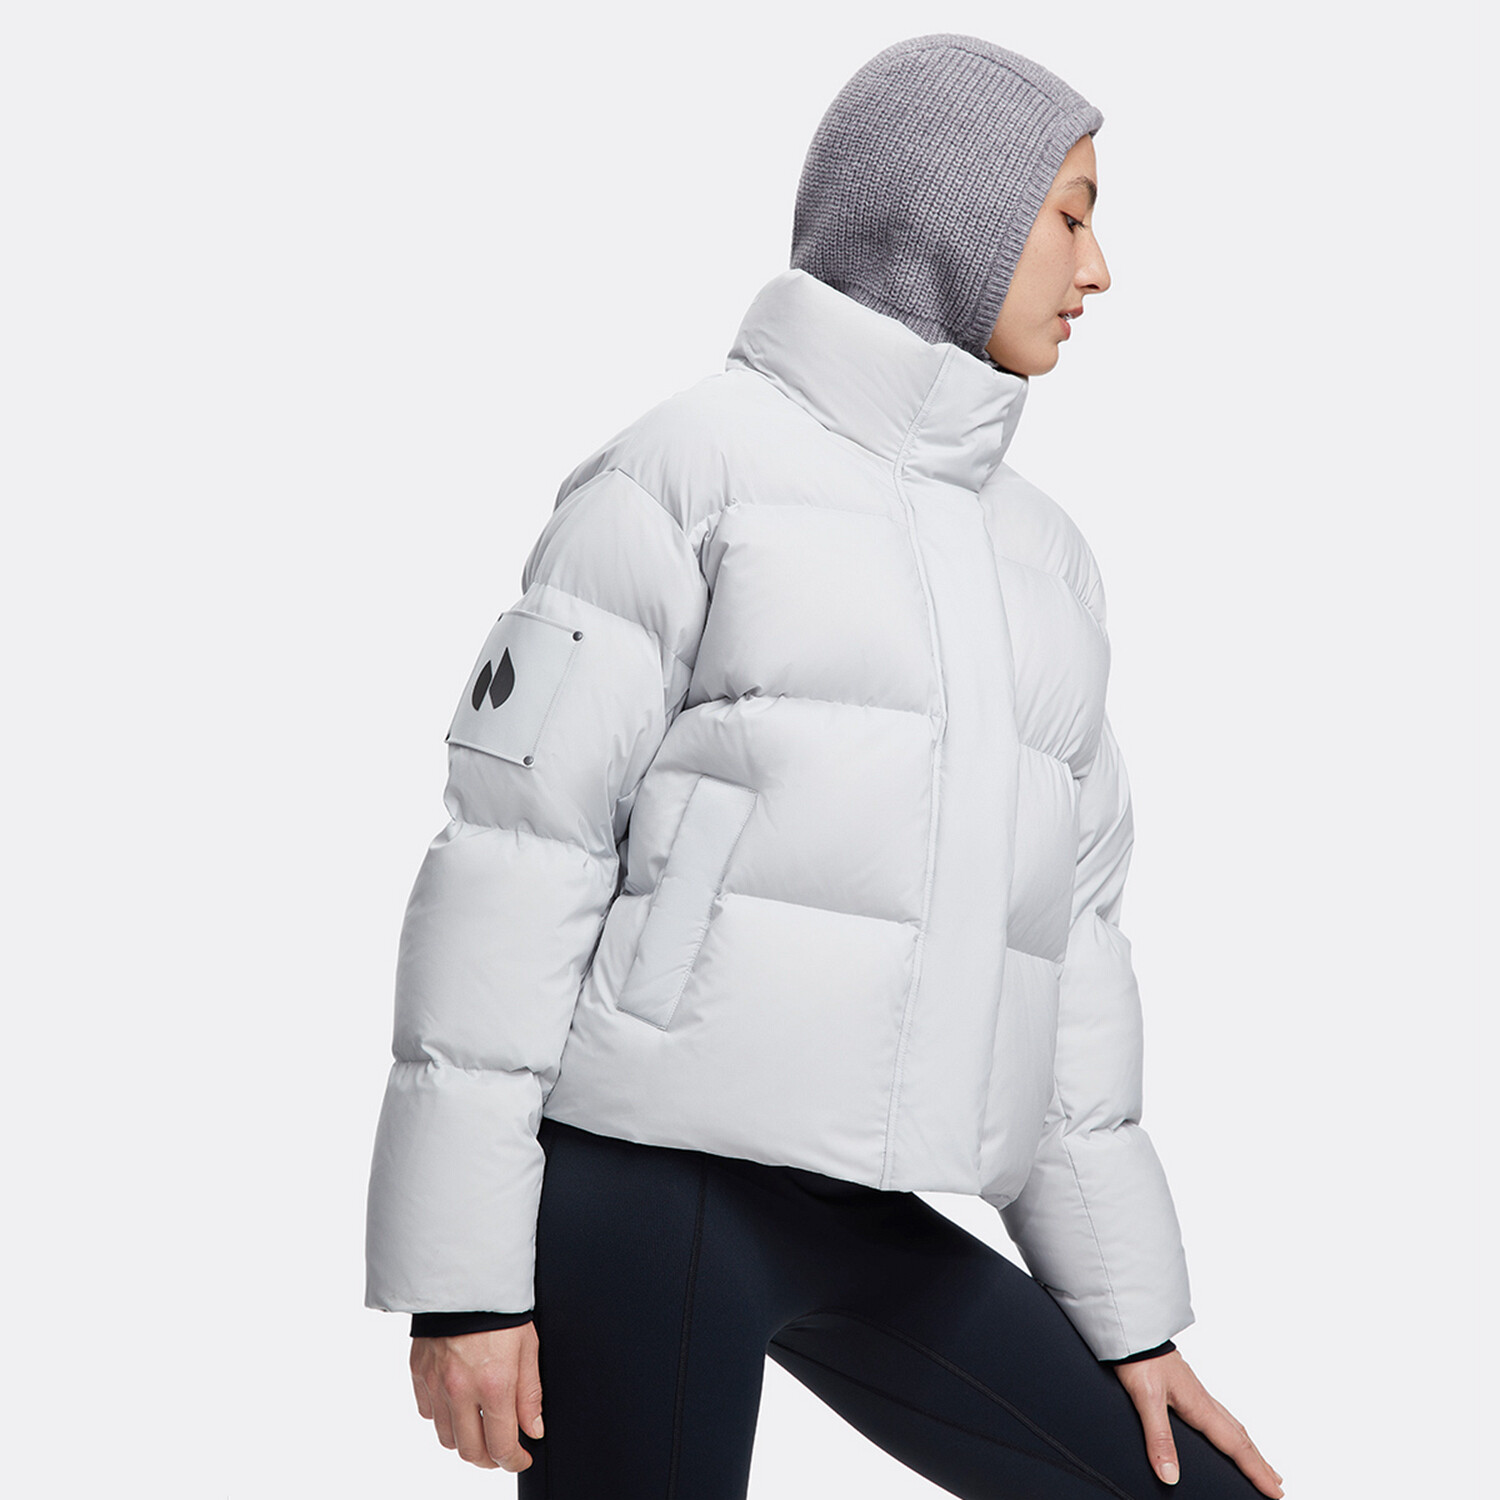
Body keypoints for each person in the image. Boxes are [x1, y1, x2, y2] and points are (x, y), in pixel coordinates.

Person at [364, 32, 1284, 1499]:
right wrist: (461, 1282)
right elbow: (510, 867)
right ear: (952, 220)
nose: (1100, 268)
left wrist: (1134, 1327)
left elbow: (1070, 964)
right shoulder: (683, 475)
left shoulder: (1044, 563)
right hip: (638, 1190)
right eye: (1070, 215)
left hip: (858, 1213)